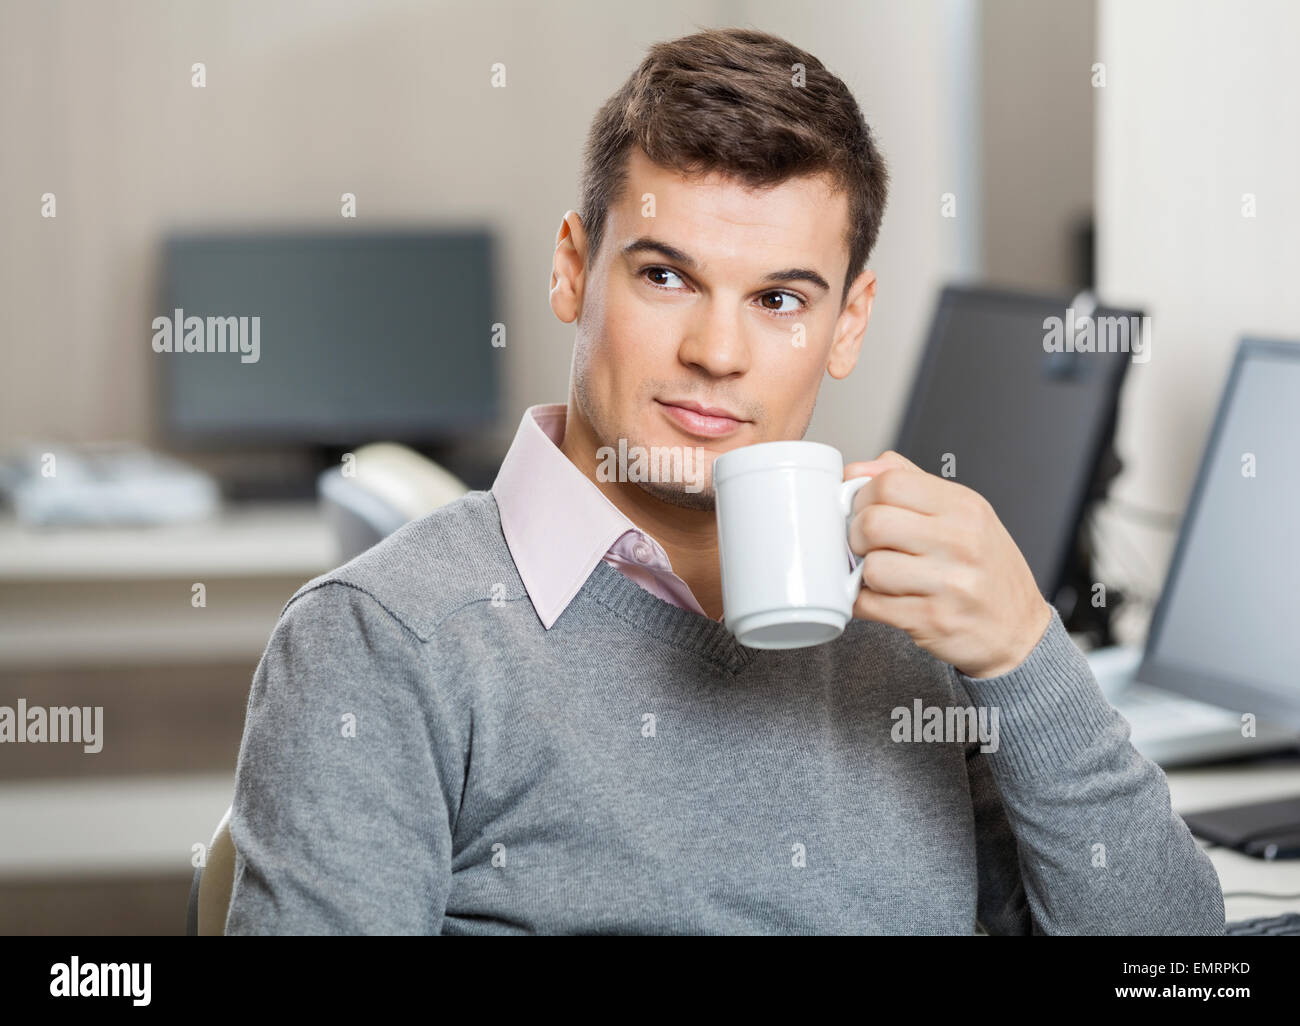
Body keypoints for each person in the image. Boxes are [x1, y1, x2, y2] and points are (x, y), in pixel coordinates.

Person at [224, 26, 1224, 935]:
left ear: (848, 324)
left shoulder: (916, 632)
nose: (716, 350)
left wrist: (1023, 652)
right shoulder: (377, 641)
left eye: (780, 298)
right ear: (573, 268)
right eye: (666, 277)